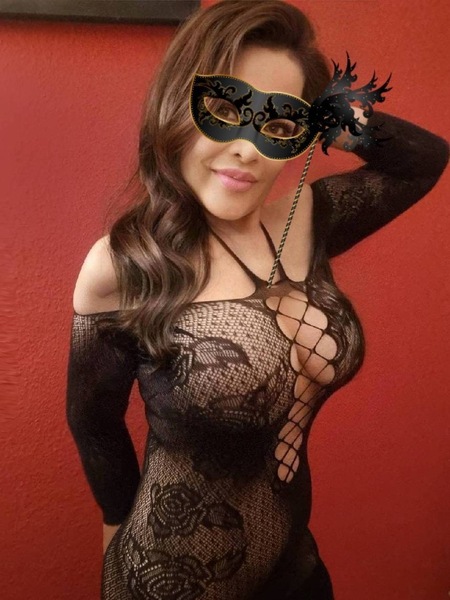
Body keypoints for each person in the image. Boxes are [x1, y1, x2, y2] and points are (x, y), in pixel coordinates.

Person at [65, 1, 448, 599]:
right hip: (173, 579)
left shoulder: (311, 221)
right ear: (176, 105)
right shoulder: (126, 264)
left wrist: (333, 115)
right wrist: (115, 532)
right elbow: (94, 422)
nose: (248, 147)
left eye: (281, 122)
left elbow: (421, 161)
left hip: (296, 569)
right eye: (224, 109)